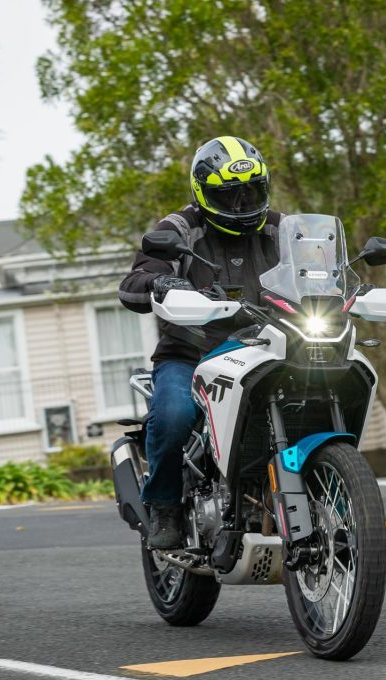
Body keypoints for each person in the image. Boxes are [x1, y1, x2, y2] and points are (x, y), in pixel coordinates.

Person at [118, 136, 282, 549]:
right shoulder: (178, 229)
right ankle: (165, 505)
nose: (242, 203)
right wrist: (162, 280)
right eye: (230, 194)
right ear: (203, 193)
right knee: (173, 414)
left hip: (269, 349)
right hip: (192, 354)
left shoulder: (283, 229)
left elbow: (321, 267)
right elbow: (133, 284)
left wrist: (346, 282)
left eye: (251, 191)